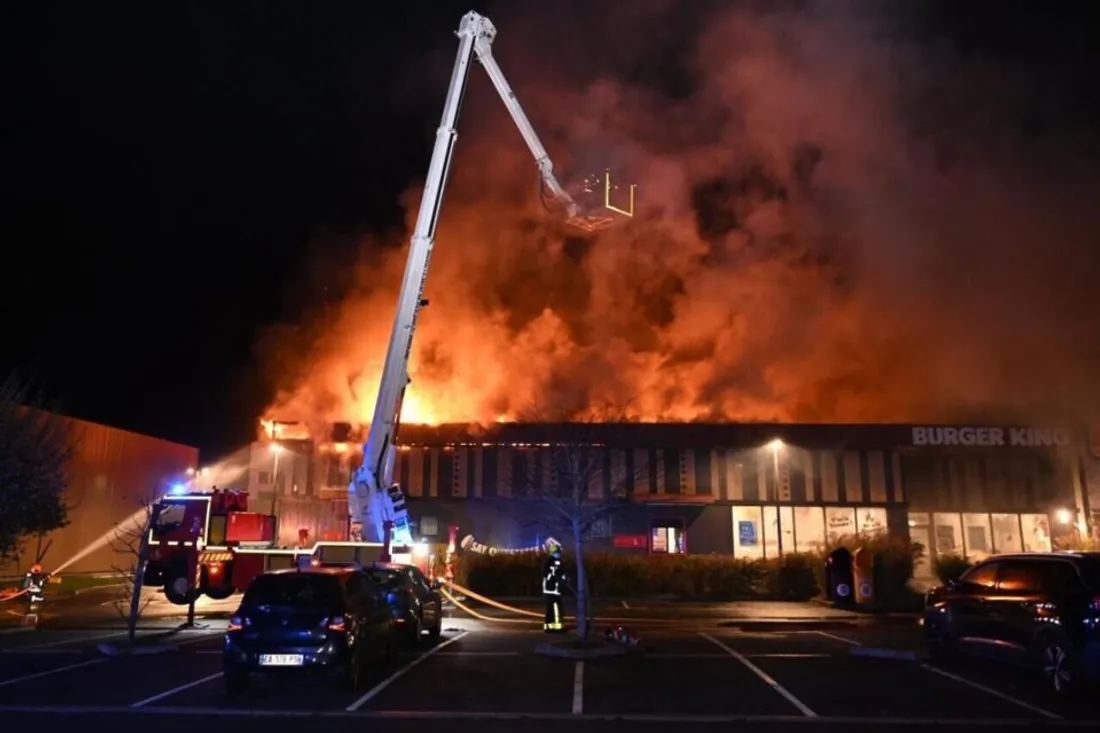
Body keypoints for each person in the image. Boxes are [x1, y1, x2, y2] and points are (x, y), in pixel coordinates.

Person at [541, 541, 566, 633]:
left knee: (558, 608)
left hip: (557, 589)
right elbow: (545, 574)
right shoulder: (548, 561)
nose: (558, 554)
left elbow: (563, 573)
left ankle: (558, 626)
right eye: (557, 552)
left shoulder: (560, 561)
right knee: (551, 609)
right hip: (550, 589)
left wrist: (564, 578)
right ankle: (550, 627)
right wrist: (553, 573)